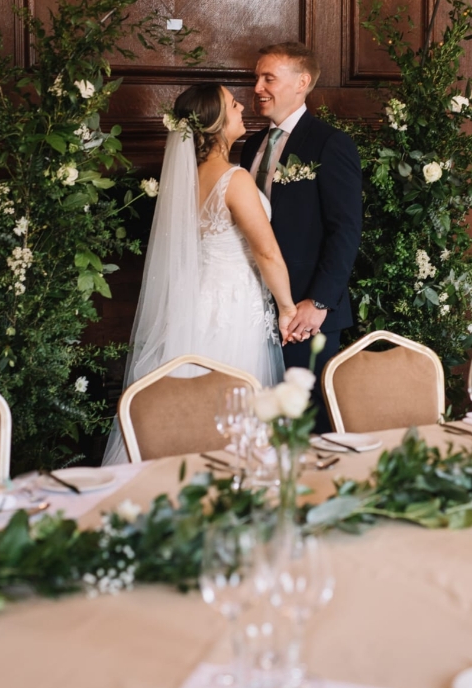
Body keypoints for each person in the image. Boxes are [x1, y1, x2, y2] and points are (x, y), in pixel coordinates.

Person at [103, 84, 296, 465]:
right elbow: (267, 252)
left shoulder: (188, 178)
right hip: (232, 308)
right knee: (230, 408)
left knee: (192, 404)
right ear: (216, 122)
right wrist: (287, 307)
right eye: (232, 103)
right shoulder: (234, 179)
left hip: (195, 303)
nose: (242, 106)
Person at [240, 42, 362, 430]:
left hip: (309, 314)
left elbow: (346, 230)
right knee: (264, 418)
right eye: (256, 78)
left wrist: (319, 302)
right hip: (255, 309)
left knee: (308, 426)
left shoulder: (330, 143)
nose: (257, 87)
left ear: (302, 83)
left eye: (268, 78)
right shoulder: (251, 147)